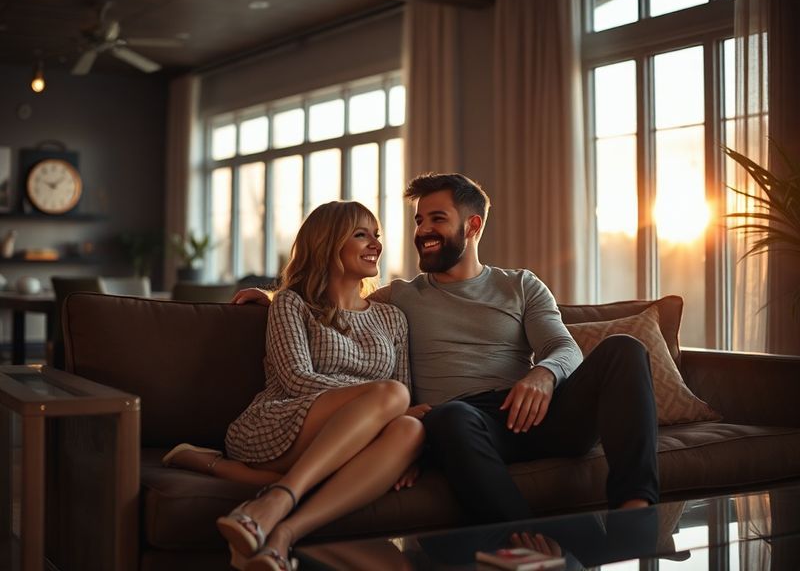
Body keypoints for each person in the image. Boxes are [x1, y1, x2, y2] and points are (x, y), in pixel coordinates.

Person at [236, 173, 659, 525]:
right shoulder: (400, 297)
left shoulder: (521, 285)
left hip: (535, 410)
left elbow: (562, 346)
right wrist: (274, 299)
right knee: (453, 415)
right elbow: (337, 300)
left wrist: (543, 375)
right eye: (419, 221)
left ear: (472, 226)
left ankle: (636, 510)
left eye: (437, 219)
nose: (422, 231)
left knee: (624, 349)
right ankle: (520, 539)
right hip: (465, 426)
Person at [162, 201, 424, 571]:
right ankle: (275, 494)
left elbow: (404, 394)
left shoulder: (393, 318)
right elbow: (297, 380)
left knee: (411, 428)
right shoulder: (291, 303)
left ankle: (283, 534)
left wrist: (383, 420)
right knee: (392, 397)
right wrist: (367, 399)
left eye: (377, 235)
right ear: (327, 242)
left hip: (351, 432)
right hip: (281, 420)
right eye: (361, 234)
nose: (375, 244)